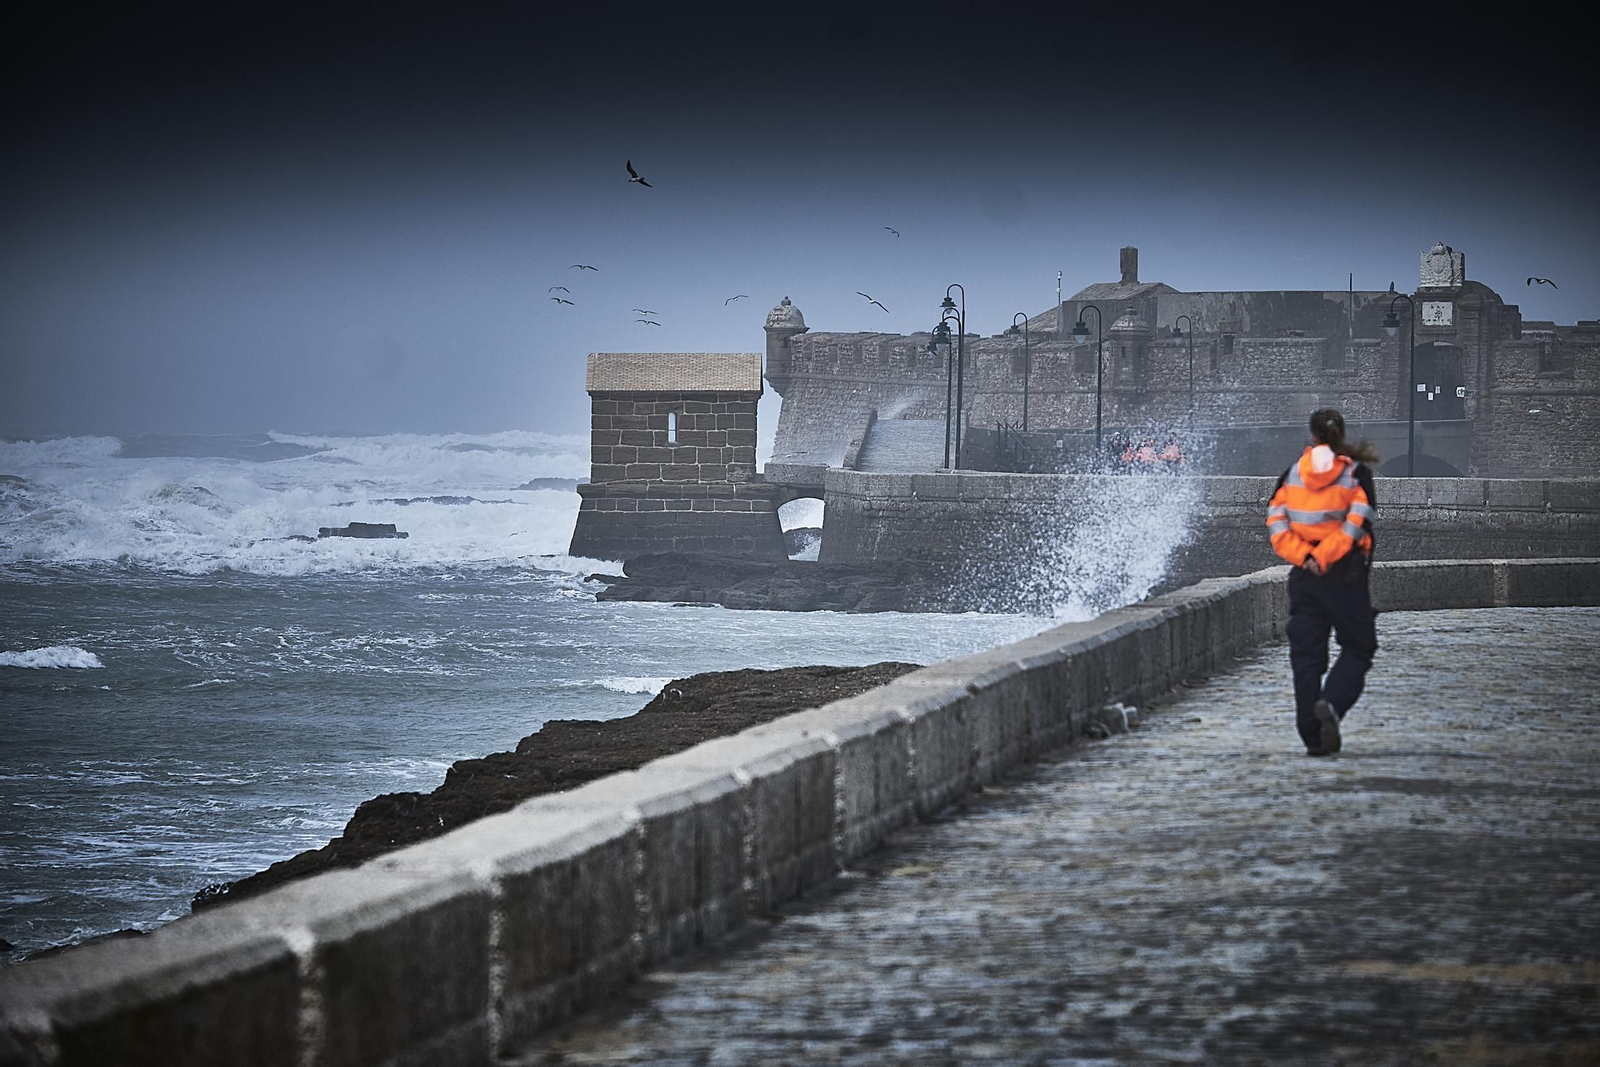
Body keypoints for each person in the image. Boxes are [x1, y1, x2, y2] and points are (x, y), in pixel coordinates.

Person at [1265, 409, 1379, 756]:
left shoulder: (1292, 475)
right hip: (1344, 575)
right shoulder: (1355, 474)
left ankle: (1311, 736)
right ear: (1341, 434)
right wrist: (1326, 557)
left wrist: (1305, 558)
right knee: (1359, 647)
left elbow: (1275, 523)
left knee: (1306, 656)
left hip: (1304, 579)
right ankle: (1332, 702)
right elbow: (1358, 522)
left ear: (1312, 436)